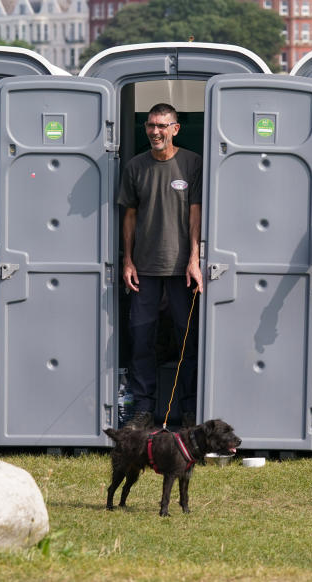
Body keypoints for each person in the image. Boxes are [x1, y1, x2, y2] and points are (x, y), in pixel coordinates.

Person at [117, 103, 203, 429]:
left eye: (162, 126)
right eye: (151, 125)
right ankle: (142, 410)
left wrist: (194, 260)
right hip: (145, 271)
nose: (156, 131)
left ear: (175, 128)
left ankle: (189, 409)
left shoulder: (192, 163)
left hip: (182, 270)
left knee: (188, 342)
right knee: (141, 341)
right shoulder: (135, 167)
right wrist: (128, 259)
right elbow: (129, 216)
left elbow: (196, 214)